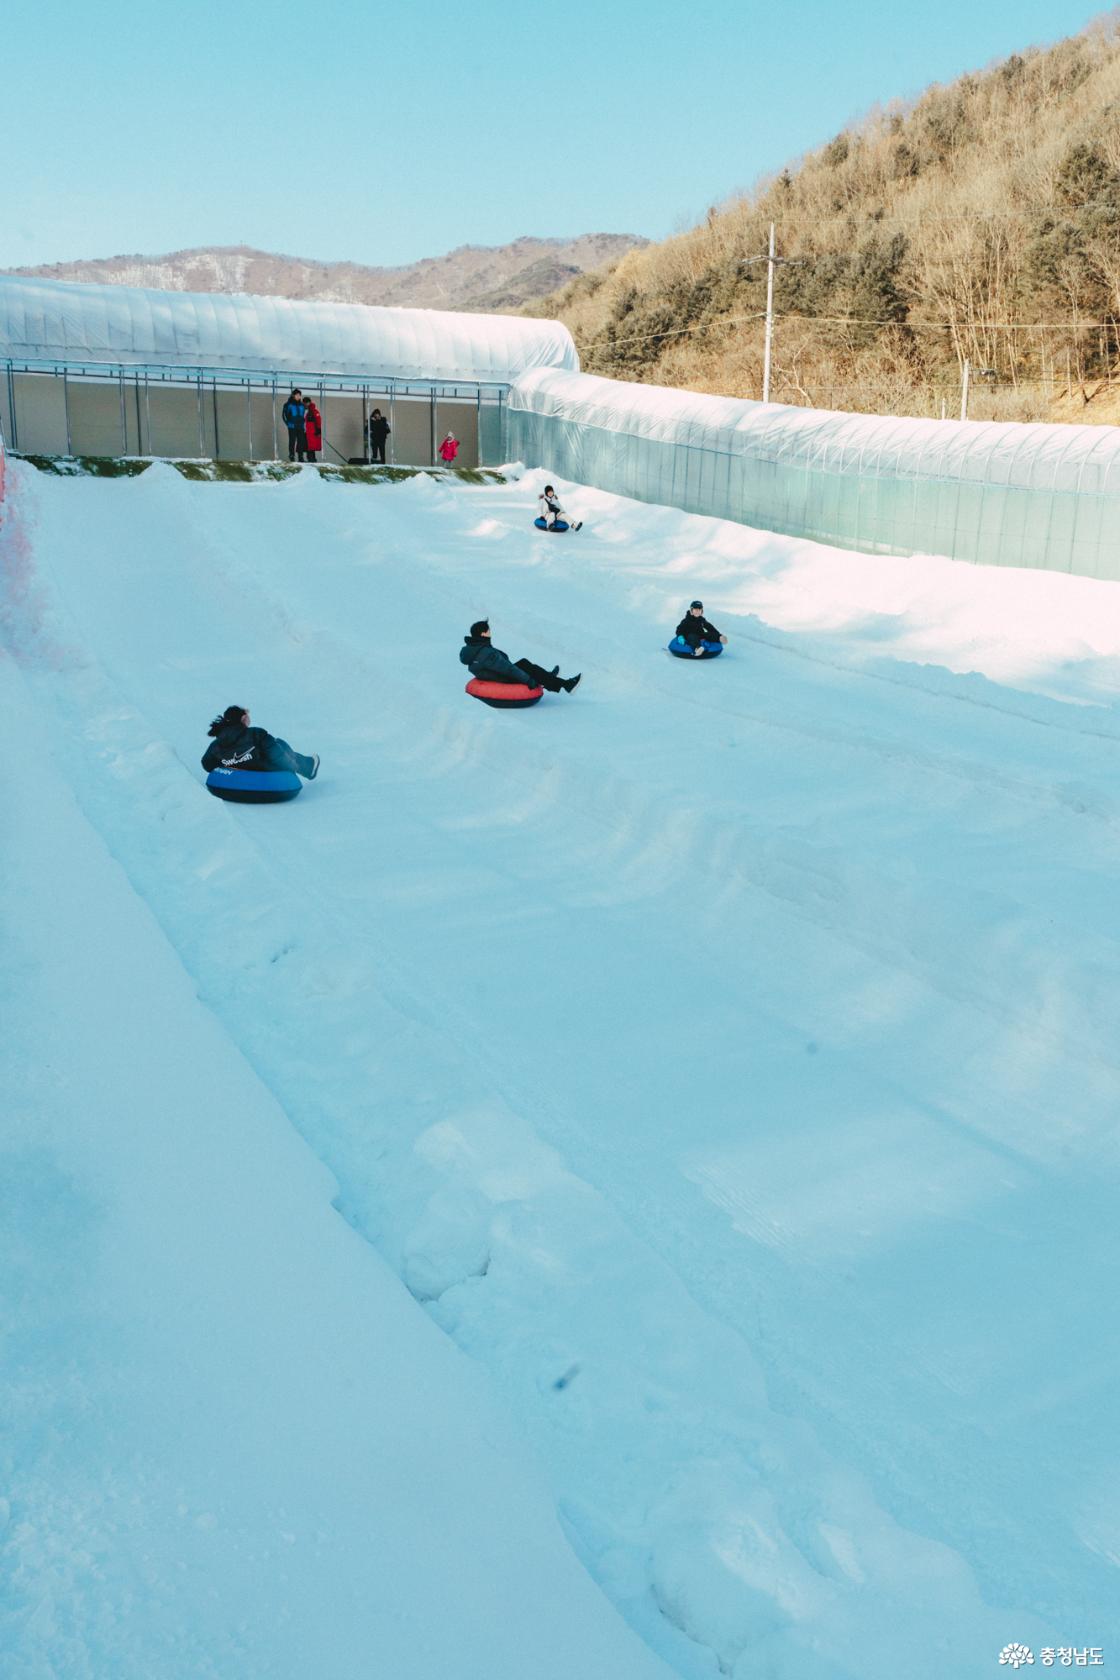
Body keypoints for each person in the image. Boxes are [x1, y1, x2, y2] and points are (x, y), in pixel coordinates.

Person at [459, 621, 580, 693]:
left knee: (523, 663)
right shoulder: (486, 653)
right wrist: (529, 680)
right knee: (526, 666)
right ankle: (565, 685)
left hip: (495, 675)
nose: (490, 633)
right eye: (488, 631)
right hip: (503, 678)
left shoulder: (473, 649)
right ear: (483, 633)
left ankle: (547, 676)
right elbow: (508, 669)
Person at [202, 705, 320, 779]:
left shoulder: (216, 745)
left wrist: (231, 764)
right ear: (243, 719)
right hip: (266, 775)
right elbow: (278, 757)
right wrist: (293, 769)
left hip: (238, 780)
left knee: (272, 747)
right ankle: (308, 768)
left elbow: (207, 765)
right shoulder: (256, 734)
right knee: (279, 744)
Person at [281, 389, 307, 463]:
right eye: (297, 395)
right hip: (292, 426)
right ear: (293, 395)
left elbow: (303, 416)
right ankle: (292, 455)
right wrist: (288, 424)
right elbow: (284, 416)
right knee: (292, 441)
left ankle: (300, 457)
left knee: (301, 441)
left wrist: (303, 424)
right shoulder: (288, 404)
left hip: (301, 427)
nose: (299, 396)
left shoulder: (302, 405)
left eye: (300, 395)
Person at [303, 396, 322, 463]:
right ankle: (310, 459)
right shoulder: (303, 411)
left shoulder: (314, 411)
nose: (305, 404)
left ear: (309, 403)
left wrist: (318, 430)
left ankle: (312, 460)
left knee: (311, 447)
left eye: (307, 403)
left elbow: (318, 421)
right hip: (305, 431)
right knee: (306, 446)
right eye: (304, 403)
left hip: (311, 432)